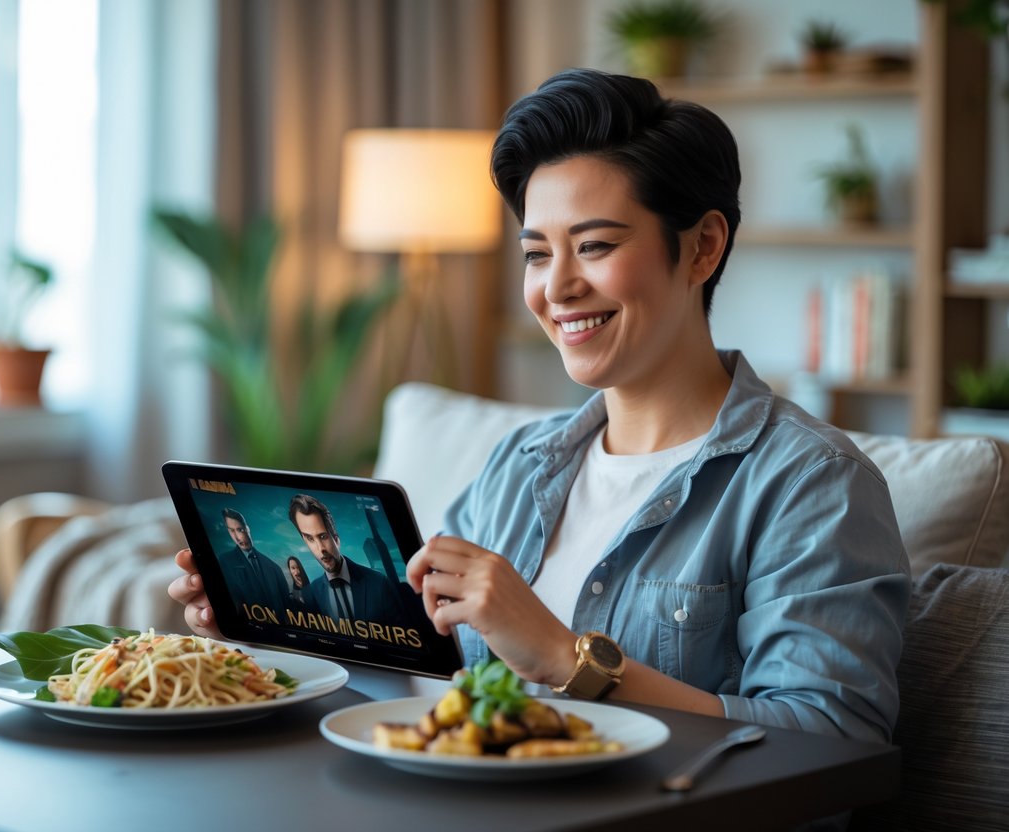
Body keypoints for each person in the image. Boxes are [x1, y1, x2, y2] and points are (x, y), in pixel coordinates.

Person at [169, 68, 909, 747]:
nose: (555, 288)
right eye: (534, 253)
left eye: (592, 246)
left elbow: (831, 745)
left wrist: (566, 659)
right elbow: (418, 680)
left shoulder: (810, 484)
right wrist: (261, 625)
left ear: (702, 248)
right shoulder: (518, 465)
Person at [287, 494, 408, 628]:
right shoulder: (312, 594)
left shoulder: (379, 584)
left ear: (336, 539)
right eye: (310, 539)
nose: (320, 548)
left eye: (323, 536)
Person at [214, 508, 292, 618]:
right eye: (232, 531)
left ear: (247, 529)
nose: (237, 537)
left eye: (240, 529)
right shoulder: (224, 562)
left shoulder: (274, 568)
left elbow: (287, 606)